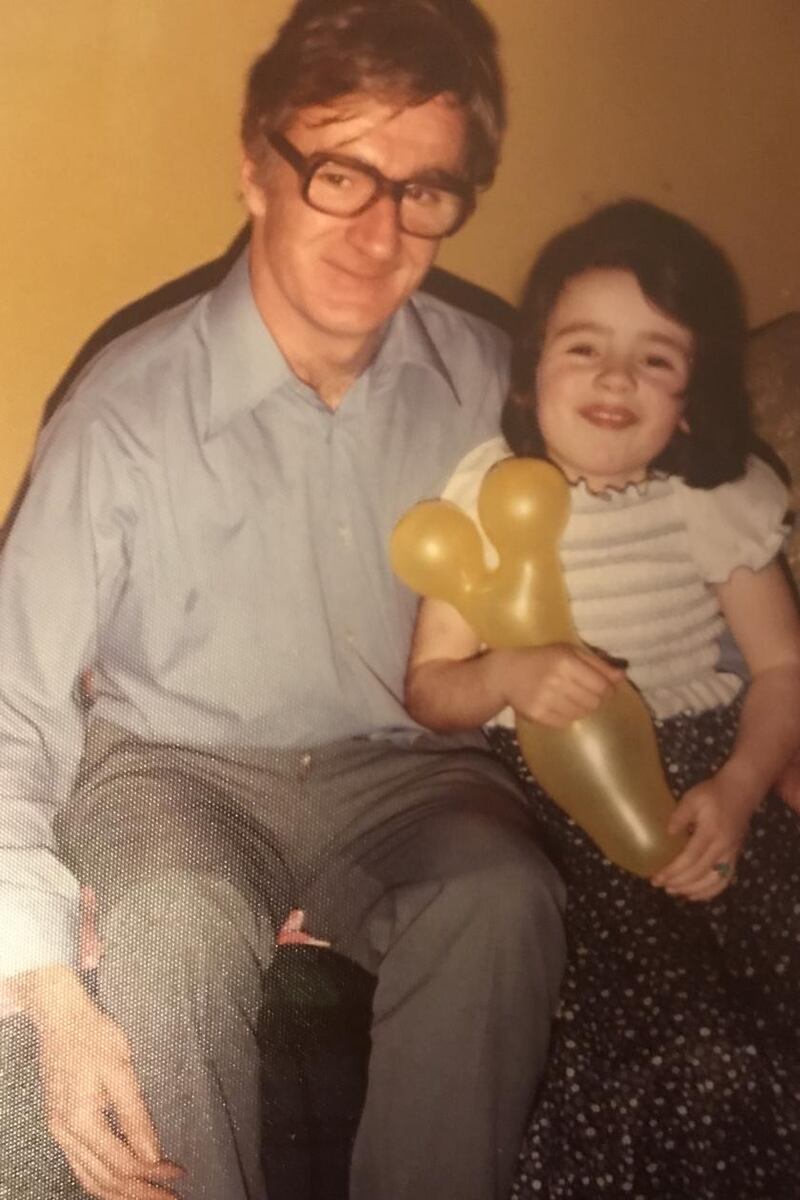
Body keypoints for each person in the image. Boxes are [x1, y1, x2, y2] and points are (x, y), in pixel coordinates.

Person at [0, 3, 567, 1199]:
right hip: (179, 771)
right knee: (174, 922)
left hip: (409, 774)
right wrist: (46, 990)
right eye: (340, 173)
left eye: (424, 191)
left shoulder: (486, 376)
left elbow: (618, 532)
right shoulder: (123, 411)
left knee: (500, 897)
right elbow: (16, 697)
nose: (378, 232)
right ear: (257, 166)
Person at [405, 199, 800, 1198]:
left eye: (655, 357)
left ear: (689, 393)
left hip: (714, 765)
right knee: (682, 1045)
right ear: (532, 374)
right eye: (583, 348)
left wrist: (742, 788)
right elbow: (430, 687)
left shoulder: (714, 495)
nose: (616, 378)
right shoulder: (487, 492)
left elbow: (782, 668)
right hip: (553, 798)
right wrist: (504, 674)